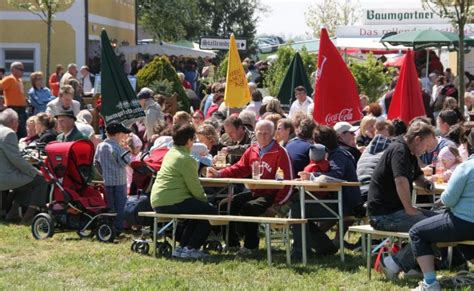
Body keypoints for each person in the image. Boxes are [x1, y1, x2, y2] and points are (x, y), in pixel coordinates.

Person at [207, 120, 293, 256]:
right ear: (255, 134)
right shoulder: (252, 150)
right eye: (260, 133)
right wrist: (219, 173)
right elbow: (239, 168)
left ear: (273, 134)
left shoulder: (280, 152)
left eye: (266, 133)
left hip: (272, 194)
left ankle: (251, 246)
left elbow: (288, 182)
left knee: (249, 208)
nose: (263, 136)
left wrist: (277, 205)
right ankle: (232, 243)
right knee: (225, 205)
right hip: (255, 191)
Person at [367, 121, 438, 280]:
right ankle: (392, 263)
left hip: (395, 211)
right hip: (384, 214)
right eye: (426, 146)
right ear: (418, 139)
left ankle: (412, 266)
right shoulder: (399, 150)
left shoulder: (409, 151)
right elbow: (400, 181)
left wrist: (426, 183)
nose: (426, 150)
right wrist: (409, 208)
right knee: (431, 229)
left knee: (440, 221)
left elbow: (417, 176)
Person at [151, 124, 217, 259]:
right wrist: (205, 201)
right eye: (194, 140)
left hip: (158, 200)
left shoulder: (171, 153)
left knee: (197, 211)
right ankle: (191, 248)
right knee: (210, 211)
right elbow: (195, 187)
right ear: (188, 141)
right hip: (172, 200)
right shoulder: (186, 159)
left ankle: (183, 247)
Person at [409, 156, 474, 291]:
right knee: (462, 240)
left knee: (417, 232)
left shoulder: (466, 167)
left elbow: (449, 200)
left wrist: (441, 200)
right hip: (466, 225)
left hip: (464, 222)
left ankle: (430, 283)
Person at [0, 109, 48, 223]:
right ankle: (28, 216)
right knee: (41, 180)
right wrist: (35, 172)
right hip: (4, 178)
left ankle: (13, 213)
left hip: (5, 175)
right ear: (12, 121)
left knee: (25, 181)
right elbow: (17, 160)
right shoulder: (8, 133)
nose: (18, 124)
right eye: (17, 121)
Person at [94, 121, 132, 234]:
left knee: (109, 205)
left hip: (107, 180)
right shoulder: (117, 147)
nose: (124, 136)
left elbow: (96, 163)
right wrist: (127, 151)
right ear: (117, 134)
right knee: (120, 206)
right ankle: (118, 228)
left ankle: (108, 227)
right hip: (119, 180)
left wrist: (103, 172)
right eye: (122, 134)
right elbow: (125, 162)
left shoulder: (100, 146)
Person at [0, 62, 28, 139]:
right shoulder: (9, 79)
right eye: (20, 69)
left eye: (23, 69)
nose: (22, 71)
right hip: (13, 108)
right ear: (13, 69)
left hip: (22, 110)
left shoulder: (19, 80)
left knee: (23, 131)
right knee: (19, 131)